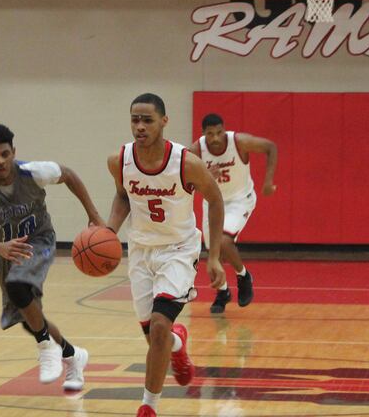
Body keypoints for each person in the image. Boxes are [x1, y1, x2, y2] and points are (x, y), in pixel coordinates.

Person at [106, 94, 225, 417]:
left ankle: (148, 408)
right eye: (135, 120)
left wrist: (213, 256)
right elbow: (122, 196)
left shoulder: (186, 162)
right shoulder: (120, 160)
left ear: (164, 121)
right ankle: (178, 345)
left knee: (159, 326)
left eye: (147, 120)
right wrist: (109, 231)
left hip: (178, 249)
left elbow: (215, 200)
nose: (140, 127)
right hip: (141, 251)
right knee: (155, 339)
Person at [0, 123, 101, 390]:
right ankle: (72, 355)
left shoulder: (34, 172)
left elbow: (68, 174)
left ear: (13, 151)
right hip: (4, 251)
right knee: (27, 317)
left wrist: (93, 215)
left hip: (39, 240)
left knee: (18, 286)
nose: (0, 161)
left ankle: (46, 347)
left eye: (5, 154)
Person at [189, 113, 278, 314]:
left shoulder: (238, 142)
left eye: (219, 132)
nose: (215, 138)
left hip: (239, 200)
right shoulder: (196, 151)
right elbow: (183, 179)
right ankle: (222, 293)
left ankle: (243, 276)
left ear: (224, 130)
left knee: (224, 241)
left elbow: (270, 147)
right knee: (212, 255)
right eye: (210, 134)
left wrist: (268, 181)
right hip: (212, 202)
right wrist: (202, 176)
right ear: (203, 134)